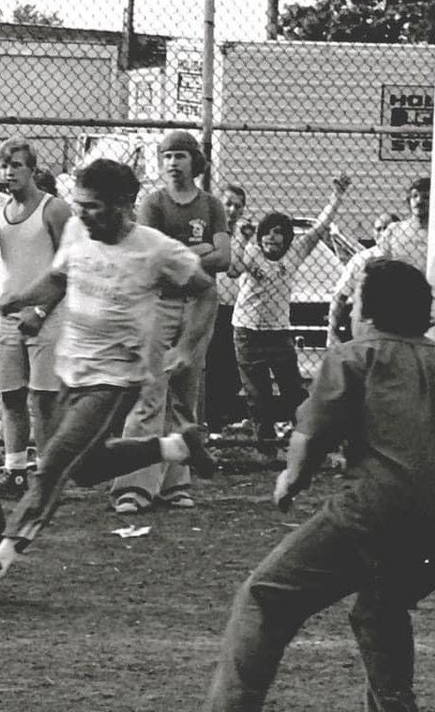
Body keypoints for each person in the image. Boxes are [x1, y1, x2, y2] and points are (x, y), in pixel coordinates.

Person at [146, 259, 435, 712]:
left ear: (366, 310)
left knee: (266, 596)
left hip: (376, 513)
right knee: (381, 606)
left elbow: (312, 436)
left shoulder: (354, 357)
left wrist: (291, 480)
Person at [0, 159, 217, 598]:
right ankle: (176, 446)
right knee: (85, 469)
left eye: (94, 207)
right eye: (79, 206)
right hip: (71, 370)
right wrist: (23, 301)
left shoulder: (154, 248)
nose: (84, 215)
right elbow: (59, 278)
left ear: (123, 205)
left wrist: (186, 349)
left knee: (53, 466)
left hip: (116, 378)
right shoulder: (78, 231)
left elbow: (205, 289)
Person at [109, 130, 230, 513]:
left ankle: (175, 483)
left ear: (195, 161)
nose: (173, 163)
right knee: (149, 394)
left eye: (180, 155)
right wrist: (202, 250)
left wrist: (191, 255)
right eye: (167, 157)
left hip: (197, 305)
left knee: (185, 394)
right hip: (159, 304)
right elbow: (156, 257)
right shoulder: (154, 203)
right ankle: (133, 487)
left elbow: (225, 257)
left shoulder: (211, 205)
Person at [227, 177, 350, 450]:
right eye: (268, 232)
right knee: (257, 395)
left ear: (287, 238)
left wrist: (337, 196)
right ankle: (266, 447)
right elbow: (233, 270)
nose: (273, 237)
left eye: (279, 232)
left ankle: (307, 441)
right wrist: (241, 237)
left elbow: (319, 228)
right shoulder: (252, 250)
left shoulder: (294, 253)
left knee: (293, 391)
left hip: (278, 332)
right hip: (247, 332)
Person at [0, 138, 72, 495]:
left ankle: (50, 474)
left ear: (32, 169)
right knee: (10, 395)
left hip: (48, 314)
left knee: (44, 398)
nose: (10, 172)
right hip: (10, 315)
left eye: (17, 165)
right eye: (5, 166)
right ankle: (16, 469)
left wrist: (40, 310)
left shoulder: (54, 209)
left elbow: (68, 267)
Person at [205, 182, 250, 428]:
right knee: (212, 359)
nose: (232, 210)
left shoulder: (243, 238)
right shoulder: (212, 233)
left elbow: (237, 270)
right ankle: (210, 414)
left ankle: (224, 410)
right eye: (228, 204)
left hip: (235, 308)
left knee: (232, 363)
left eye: (238, 206)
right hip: (214, 304)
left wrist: (243, 240)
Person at [327, 211, 400, 347]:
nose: (383, 233)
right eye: (379, 229)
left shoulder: (405, 256)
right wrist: (332, 331)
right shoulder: (361, 259)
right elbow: (340, 295)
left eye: (387, 228)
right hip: (367, 327)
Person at [374, 178, 430, 268]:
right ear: (408, 200)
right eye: (415, 196)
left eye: (426, 197)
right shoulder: (394, 230)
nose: (419, 201)